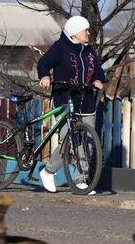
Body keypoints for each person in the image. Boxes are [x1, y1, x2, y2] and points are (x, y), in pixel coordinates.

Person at [36, 15, 106, 194]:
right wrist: (44, 76)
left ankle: (81, 181)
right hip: (65, 99)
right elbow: (44, 63)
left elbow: (98, 70)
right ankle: (48, 171)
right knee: (68, 141)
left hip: (87, 101)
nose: (89, 33)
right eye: (86, 30)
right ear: (75, 32)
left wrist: (98, 79)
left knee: (88, 142)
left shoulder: (88, 49)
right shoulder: (61, 47)